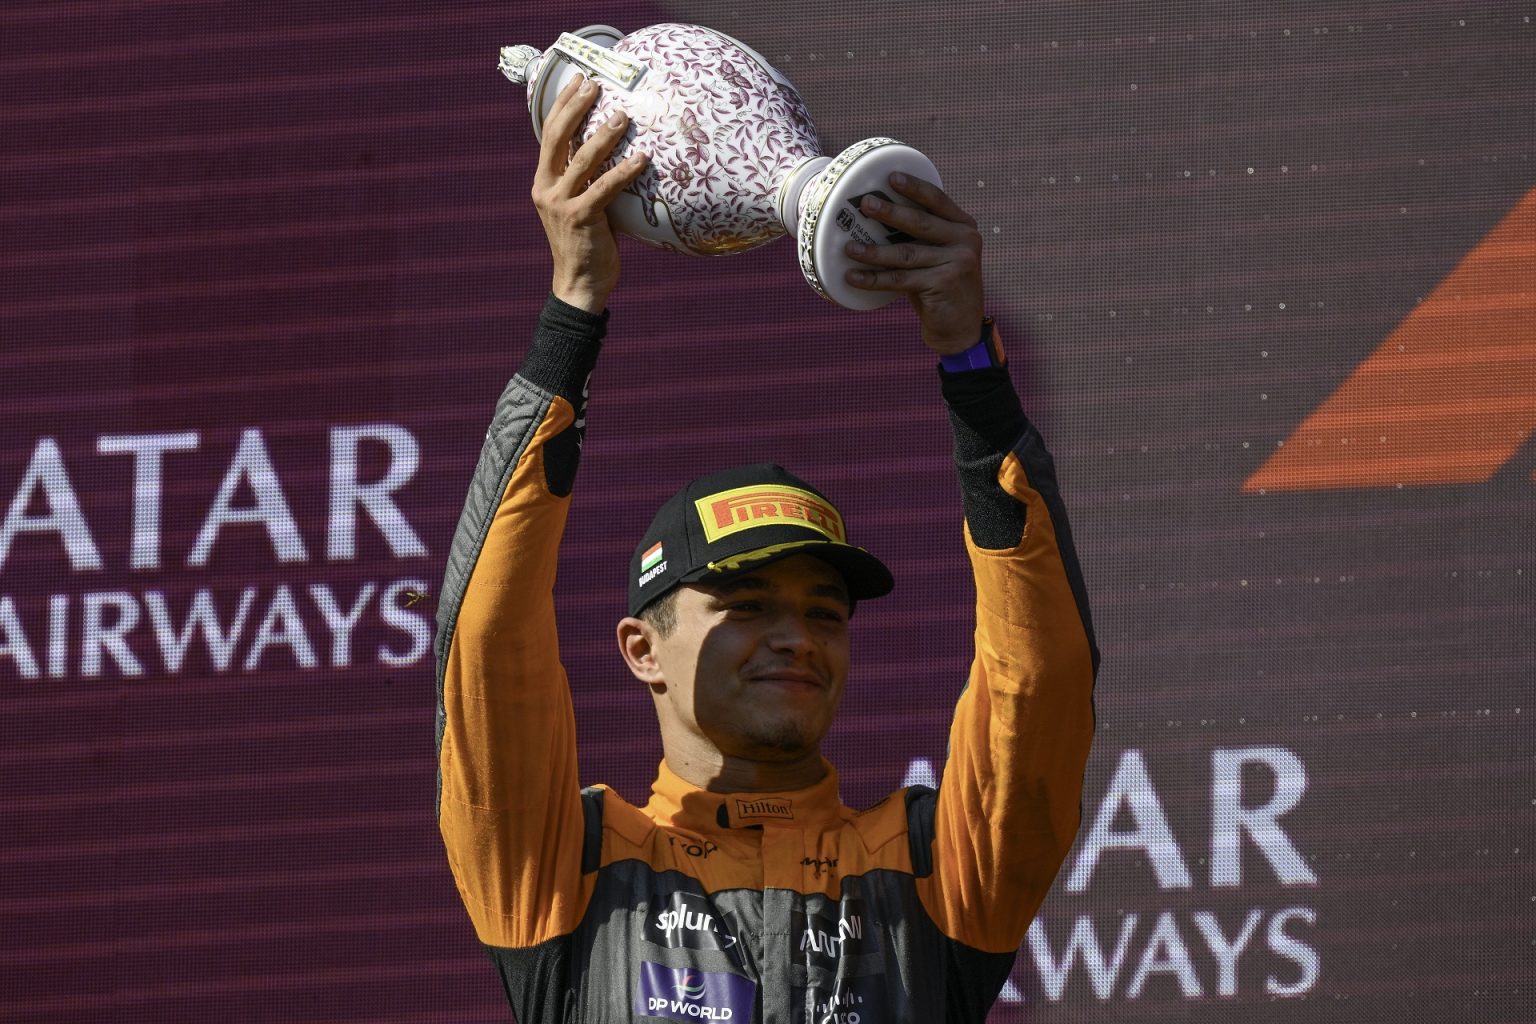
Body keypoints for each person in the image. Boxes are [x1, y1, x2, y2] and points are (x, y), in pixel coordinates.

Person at [434, 74, 1098, 1022]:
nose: (796, 635)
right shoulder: (563, 866)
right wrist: (573, 311)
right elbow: (487, 642)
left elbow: (1042, 679)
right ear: (641, 649)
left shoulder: (931, 869)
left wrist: (971, 367)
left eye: (824, 612)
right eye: (745, 606)